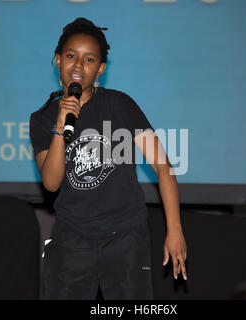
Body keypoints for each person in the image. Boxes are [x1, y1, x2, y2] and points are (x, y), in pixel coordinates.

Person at [30, 17, 187, 300]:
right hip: (72, 239)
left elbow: (163, 167)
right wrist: (60, 124)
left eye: (89, 59)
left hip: (126, 237)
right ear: (57, 61)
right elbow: (51, 183)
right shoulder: (42, 119)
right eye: (70, 56)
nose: (78, 66)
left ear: (100, 69)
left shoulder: (119, 105)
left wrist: (174, 230)